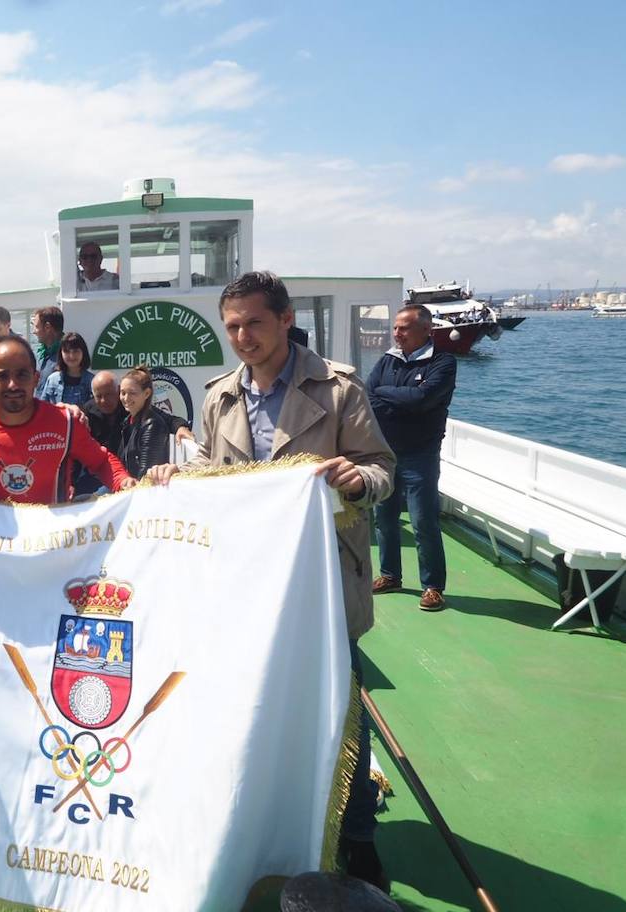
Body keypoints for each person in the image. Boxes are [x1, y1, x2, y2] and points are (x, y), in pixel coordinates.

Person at [146, 270, 394, 891]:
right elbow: (210, 467)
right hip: (243, 586)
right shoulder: (219, 395)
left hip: (323, 581)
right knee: (244, 705)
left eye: (254, 323)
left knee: (339, 711)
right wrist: (178, 477)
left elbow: (382, 467)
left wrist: (358, 481)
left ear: (284, 319)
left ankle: (358, 836)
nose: (242, 337)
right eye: (231, 326)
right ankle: (254, 823)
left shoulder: (337, 389)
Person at [0, 335, 133, 504]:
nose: (13, 385)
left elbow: (101, 462)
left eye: (22, 375)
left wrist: (123, 482)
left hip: (54, 530)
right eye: (2, 376)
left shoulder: (65, 422)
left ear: (36, 378)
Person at [366, 304, 457, 611]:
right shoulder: (387, 360)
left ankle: (433, 586)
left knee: (422, 521)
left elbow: (422, 399)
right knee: (385, 519)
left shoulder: (443, 363)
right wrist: (399, 399)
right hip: (386, 454)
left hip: (421, 455)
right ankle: (390, 575)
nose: (396, 333)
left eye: (403, 328)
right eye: (395, 328)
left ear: (426, 331)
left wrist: (387, 394)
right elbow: (368, 395)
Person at [115, 366, 178, 479]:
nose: (126, 398)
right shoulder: (128, 421)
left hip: (141, 490)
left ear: (147, 393)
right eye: (123, 393)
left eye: (132, 393)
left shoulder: (152, 425)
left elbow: (146, 475)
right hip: (126, 484)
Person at [36, 331, 94, 406]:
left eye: (75, 351)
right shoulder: (52, 380)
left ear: (83, 352)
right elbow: (43, 408)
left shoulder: (92, 382)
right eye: (66, 351)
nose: (71, 356)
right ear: (61, 353)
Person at [32, 306, 64, 384]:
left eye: (36, 327)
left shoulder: (66, 356)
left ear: (47, 327)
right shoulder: (38, 354)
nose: (34, 332)